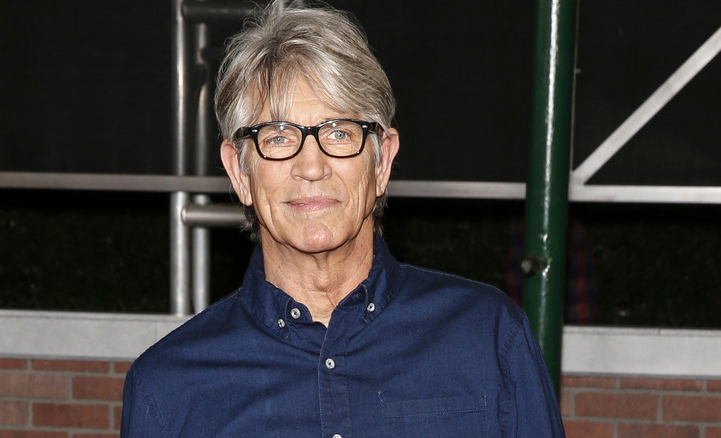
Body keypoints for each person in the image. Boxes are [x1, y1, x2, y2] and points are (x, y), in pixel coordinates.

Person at [120, 1, 565, 436]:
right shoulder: (169, 390)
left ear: (381, 163)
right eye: (277, 137)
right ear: (239, 172)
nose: (311, 166)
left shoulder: (488, 340)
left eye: (338, 133)